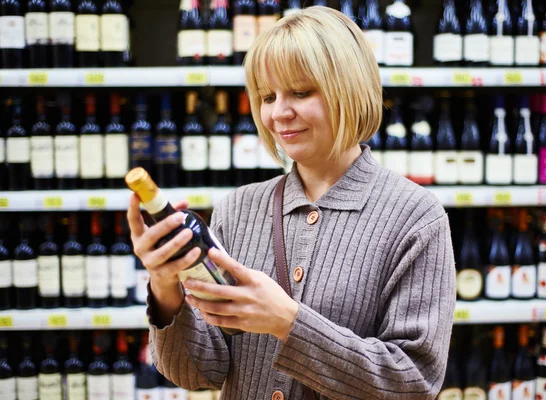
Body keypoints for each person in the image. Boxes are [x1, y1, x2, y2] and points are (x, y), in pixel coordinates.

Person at [127, 6, 456, 400]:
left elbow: (414, 383)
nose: (279, 113)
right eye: (267, 97)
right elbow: (200, 372)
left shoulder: (415, 217)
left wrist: (288, 322)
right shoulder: (239, 208)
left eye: (300, 92)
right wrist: (166, 287)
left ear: (350, 89)